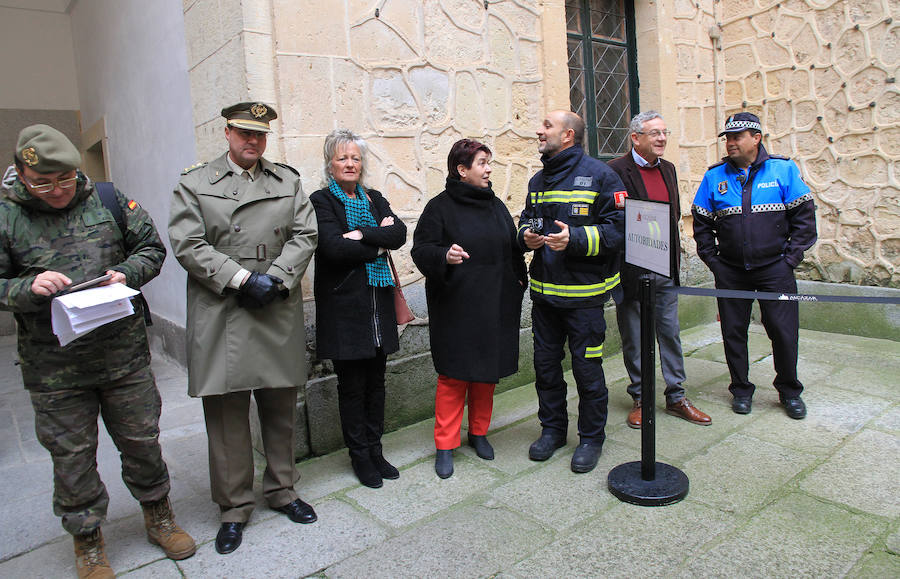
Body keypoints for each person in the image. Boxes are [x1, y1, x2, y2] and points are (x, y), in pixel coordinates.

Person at [0, 124, 195, 578]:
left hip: (122, 357)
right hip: (55, 370)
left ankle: (159, 516)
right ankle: (87, 541)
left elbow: (150, 247)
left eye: (65, 179)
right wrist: (27, 288)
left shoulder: (106, 199)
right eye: (43, 183)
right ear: (24, 175)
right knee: (71, 457)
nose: (57, 190)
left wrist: (126, 273)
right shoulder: (7, 215)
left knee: (142, 442)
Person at [168, 102, 319, 555]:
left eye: (260, 135)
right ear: (227, 133)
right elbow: (187, 242)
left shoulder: (286, 181)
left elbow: (304, 234)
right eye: (243, 133)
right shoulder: (195, 183)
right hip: (223, 308)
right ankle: (234, 507)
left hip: (274, 303)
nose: (252, 141)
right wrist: (241, 279)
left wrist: (275, 278)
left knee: (280, 407)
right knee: (227, 415)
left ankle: (282, 490)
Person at [412, 138, 527, 479]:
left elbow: (511, 246)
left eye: (489, 162)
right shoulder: (439, 207)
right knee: (454, 376)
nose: (489, 169)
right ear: (462, 170)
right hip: (456, 307)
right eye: (481, 163)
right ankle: (445, 444)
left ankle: (478, 432)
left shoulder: (495, 206)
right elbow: (422, 250)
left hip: (495, 303)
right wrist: (443, 256)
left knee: (485, 374)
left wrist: (519, 279)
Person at [519, 110, 625, 474]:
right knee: (546, 369)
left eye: (546, 126)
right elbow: (527, 220)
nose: (539, 130)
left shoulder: (602, 176)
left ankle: (591, 438)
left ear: (567, 135)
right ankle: (552, 431)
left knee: (587, 372)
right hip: (545, 299)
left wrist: (575, 239)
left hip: (584, 301)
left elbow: (618, 232)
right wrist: (526, 237)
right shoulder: (538, 180)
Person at [691, 112, 817, 419]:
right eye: (728, 138)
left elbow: (805, 221)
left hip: (775, 269)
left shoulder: (783, 170)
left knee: (783, 332)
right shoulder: (714, 176)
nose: (731, 143)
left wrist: (790, 261)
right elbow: (701, 224)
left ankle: (789, 391)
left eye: (737, 137)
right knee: (734, 332)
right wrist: (714, 263)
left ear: (756, 138)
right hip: (731, 271)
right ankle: (741, 390)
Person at [310, 129, 407, 489]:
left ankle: (376, 450)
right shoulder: (321, 201)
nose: (350, 163)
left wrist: (362, 235)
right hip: (344, 309)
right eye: (342, 158)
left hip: (377, 305)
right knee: (352, 386)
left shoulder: (374, 197)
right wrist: (377, 240)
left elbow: (398, 234)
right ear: (330, 164)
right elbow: (333, 249)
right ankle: (359, 455)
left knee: (377, 383)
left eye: (355, 157)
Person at [608, 111, 711, 429]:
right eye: (654, 133)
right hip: (631, 270)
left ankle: (677, 396)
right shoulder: (614, 171)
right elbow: (615, 221)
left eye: (664, 132)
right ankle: (641, 397)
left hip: (665, 268)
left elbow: (672, 215)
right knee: (635, 339)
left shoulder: (668, 169)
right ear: (636, 137)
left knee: (670, 333)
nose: (662, 138)